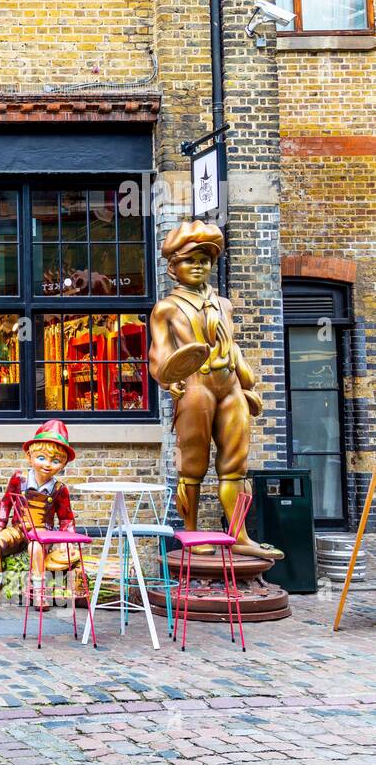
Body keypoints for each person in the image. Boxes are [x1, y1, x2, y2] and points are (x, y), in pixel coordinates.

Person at [148, 220, 280, 559]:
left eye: (204, 260)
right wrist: (169, 376)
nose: (198, 266)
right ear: (173, 267)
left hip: (229, 385)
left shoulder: (224, 305)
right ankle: (191, 532)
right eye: (190, 260)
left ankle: (238, 533)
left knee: (236, 463)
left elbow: (232, 345)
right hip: (196, 385)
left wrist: (246, 379)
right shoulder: (166, 308)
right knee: (192, 463)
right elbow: (159, 353)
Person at [0, 420, 78, 607]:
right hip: (18, 529)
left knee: (35, 549)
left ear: (63, 465)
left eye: (55, 461)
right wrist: (0, 525)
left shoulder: (59, 489)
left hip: (41, 532)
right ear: (29, 456)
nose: (47, 465)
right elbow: (6, 502)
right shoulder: (18, 479)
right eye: (41, 458)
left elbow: (66, 518)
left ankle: (38, 592)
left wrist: (67, 540)